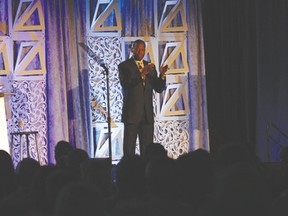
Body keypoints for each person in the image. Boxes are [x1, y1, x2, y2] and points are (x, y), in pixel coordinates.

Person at [118, 39, 167, 156]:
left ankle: (146, 172)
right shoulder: (124, 66)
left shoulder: (150, 66)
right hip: (132, 114)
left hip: (147, 115)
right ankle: (129, 172)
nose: (141, 51)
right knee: (129, 149)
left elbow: (158, 88)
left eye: (143, 49)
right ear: (132, 50)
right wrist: (142, 74)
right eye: (138, 49)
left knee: (147, 149)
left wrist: (162, 75)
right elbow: (126, 84)